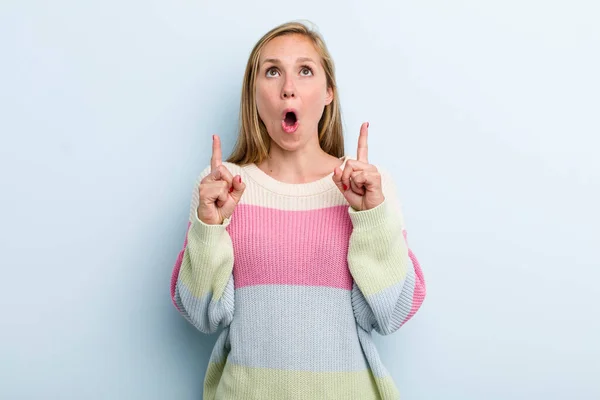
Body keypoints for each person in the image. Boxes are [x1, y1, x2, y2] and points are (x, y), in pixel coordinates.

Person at [170, 20, 426, 400]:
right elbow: (202, 315)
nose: (288, 87)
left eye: (305, 71)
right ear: (254, 95)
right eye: (272, 72)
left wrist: (371, 218)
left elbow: (393, 313)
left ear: (328, 93)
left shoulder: (370, 186)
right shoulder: (221, 189)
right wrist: (209, 227)